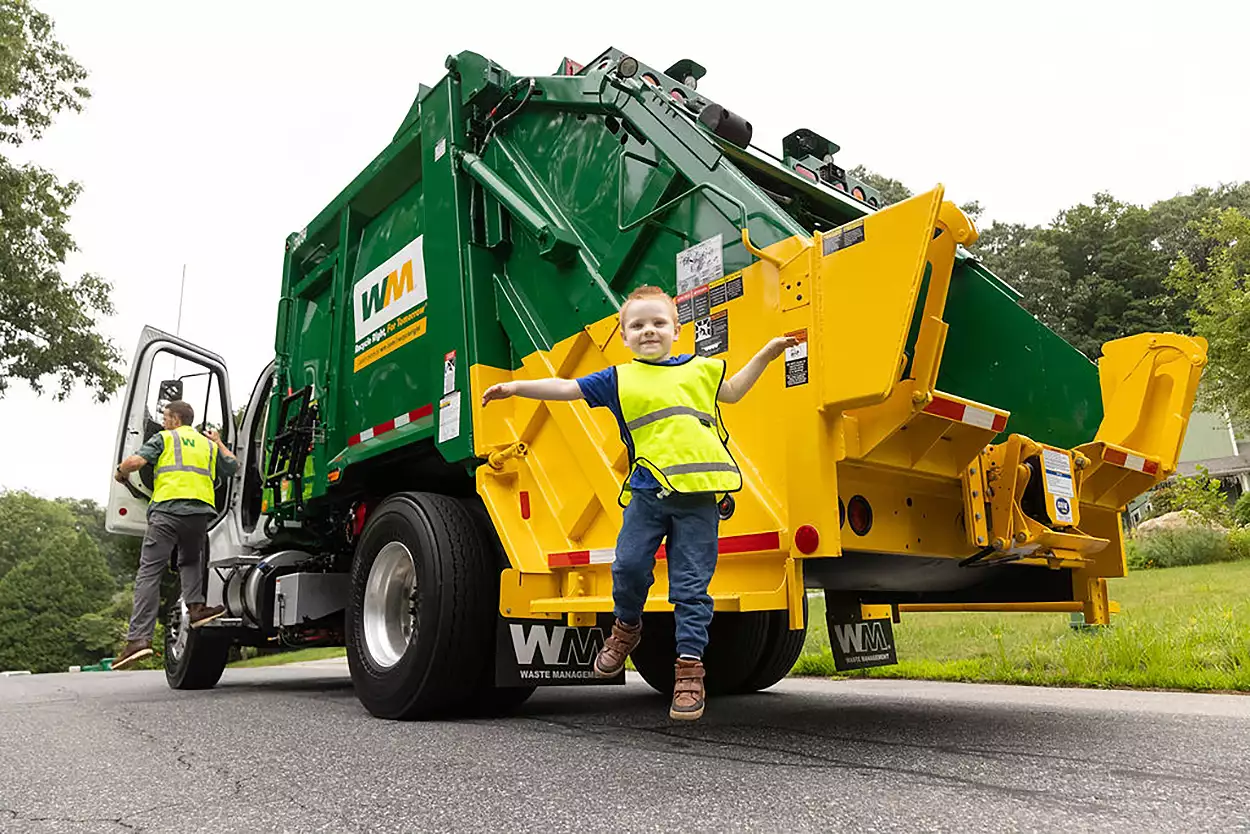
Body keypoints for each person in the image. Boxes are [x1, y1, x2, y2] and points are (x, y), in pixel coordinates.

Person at [482, 285, 795, 720]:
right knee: (628, 567)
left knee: (690, 588)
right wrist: (516, 386)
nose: (649, 330)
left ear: (676, 330)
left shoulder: (703, 371)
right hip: (648, 494)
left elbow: (736, 391)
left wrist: (767, 352)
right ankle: (626, 628)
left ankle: (689, 671)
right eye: (638, 325)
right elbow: (567, 388)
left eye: (658, 323)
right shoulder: (618, 379)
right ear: (625, 337)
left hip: (698, 498)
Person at [110, 399, 240, 670]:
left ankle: (138, 640)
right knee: (190, 560)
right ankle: (195, 608)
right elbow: (232, 465)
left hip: (167, 512)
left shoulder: (165, 439)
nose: (164, 421)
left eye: (166, 417)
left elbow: (135, 462)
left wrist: (121, 473)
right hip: (198, 515)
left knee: (150, 572)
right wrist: (218, 441)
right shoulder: (206, 444)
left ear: (176, 420)